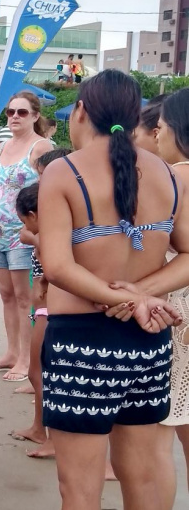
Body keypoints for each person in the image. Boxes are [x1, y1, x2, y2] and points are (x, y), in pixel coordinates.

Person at [39, 70, 183, 510]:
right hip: (148, 344)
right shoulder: (167, 173)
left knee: (80, 490)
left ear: (80, 111)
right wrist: (140, 296)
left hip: (82, 346)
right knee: (141, 478)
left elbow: (58, 267)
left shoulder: (64, 171)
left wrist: (128, 298)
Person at [0, 92, 52, 383]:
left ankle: (26, 358)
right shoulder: (1, 147)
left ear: (35, 116)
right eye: (11, 111)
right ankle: (12, 351)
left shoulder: (41, 147)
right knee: (6, 295)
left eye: (22, 112)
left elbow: (50, 189)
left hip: (22, 233)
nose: (14, 116)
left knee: (25, 298)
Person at [10, 149, 70, 459]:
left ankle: (52, 439)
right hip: (43, 308)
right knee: (38, 371)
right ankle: (38, 427)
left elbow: (54, 270)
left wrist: (44, 278)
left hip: (49, 309)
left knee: (40, 373)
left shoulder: (50, 236)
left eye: (25, 221)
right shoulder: (51, 230)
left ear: (34, 215)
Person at [152, 88, 189, 485]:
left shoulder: (176, 175)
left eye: (160, 127)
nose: (156, 134)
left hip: (177, 310)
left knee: (160, 436)